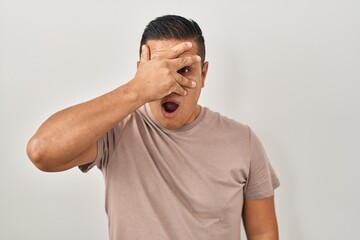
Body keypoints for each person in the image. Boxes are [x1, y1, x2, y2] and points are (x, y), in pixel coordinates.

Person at [27, 15, 280, 240]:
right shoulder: (117, 130)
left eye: (184, 70)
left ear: (203, 75)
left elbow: (263, 233)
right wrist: (137, 90)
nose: (171, 84)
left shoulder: (242, 140)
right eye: (160, 72)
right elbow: (42, 151)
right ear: (142, 73)